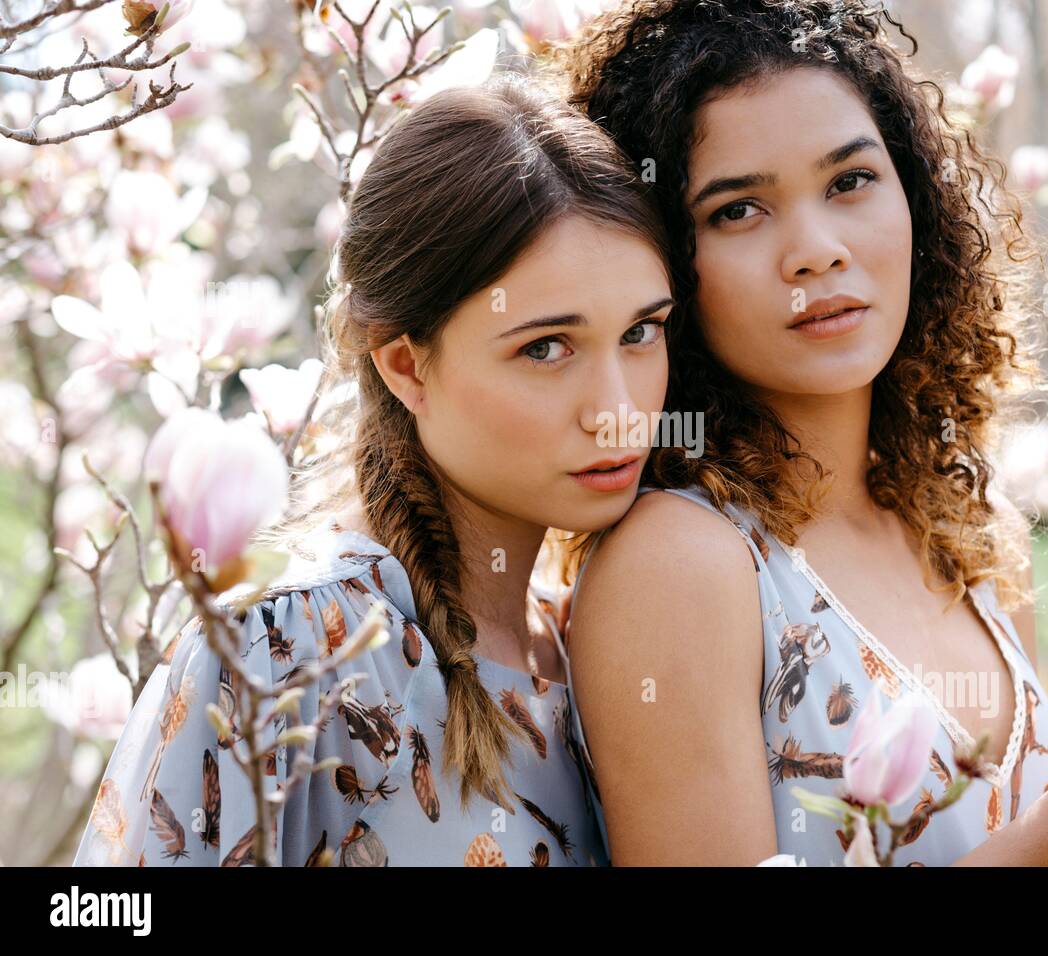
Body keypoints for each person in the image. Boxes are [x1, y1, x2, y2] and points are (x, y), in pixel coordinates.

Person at [549, 0, 1048, 865]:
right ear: (661, 262)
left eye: (849, 182)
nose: (816, 250)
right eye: (737, 211)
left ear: (918, 202)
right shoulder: (679, 562)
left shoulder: (967, 538)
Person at [73, 70, 674, 867]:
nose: (617, 407)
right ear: (406, 366)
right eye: (546, 347)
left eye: (641, 333)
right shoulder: (285, 650)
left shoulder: (590, 647)